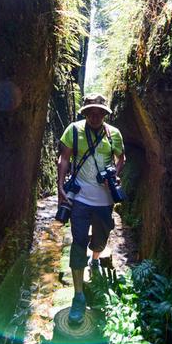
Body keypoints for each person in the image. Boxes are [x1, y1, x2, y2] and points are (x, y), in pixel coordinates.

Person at [57, 93, 126, 325]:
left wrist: (114, 175)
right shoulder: (73, 130)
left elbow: (121, 158)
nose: (95, 116)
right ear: (85, 113)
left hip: (105, 200)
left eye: (100, 112)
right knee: (78, 243)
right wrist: (60, 187)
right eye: (91, 112)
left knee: (100, 238)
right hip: (80, 199)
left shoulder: (113, 134)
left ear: (105, 114)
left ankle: (96, 258)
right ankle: (78, 296)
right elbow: (64, 159)